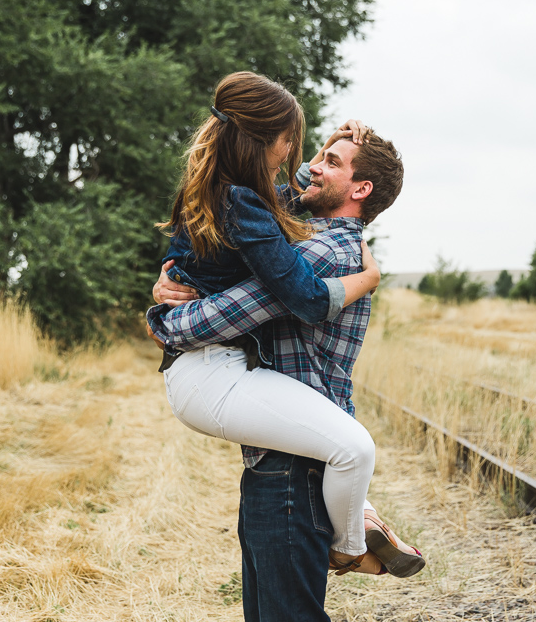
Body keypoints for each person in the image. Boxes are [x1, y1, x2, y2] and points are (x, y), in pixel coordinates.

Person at [149, 126, 423, 621]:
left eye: (332, 161)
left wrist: (165, 318)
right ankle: (356, 525)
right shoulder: (306, 236)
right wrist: (173, 276)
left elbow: (217, 317)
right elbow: (282, 192)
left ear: (361, 190)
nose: (314, 166)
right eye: (317, 156)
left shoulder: (321, 255)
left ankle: (351, 541)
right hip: (278, 456)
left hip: (295, 470)